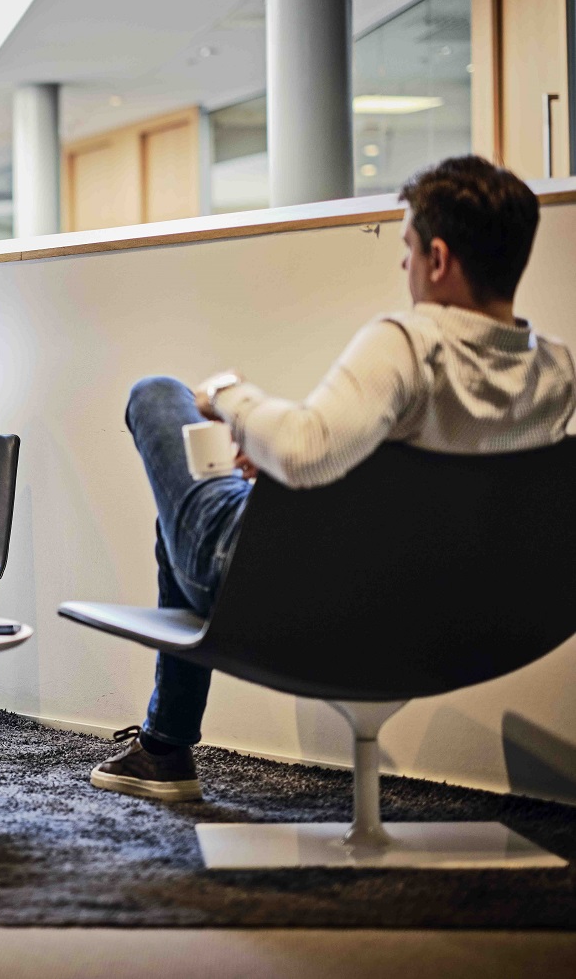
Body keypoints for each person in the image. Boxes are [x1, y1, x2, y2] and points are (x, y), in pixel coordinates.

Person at [93, 154, 576, 803]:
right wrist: (287, 480)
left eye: (405, 248)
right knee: (185, 516)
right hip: (451, 611)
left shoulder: (411, 341)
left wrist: (229, 396)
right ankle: (161, 745)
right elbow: (425, 484)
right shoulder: (555, 370)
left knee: (158, 393)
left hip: (286, 592)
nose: (403, 266)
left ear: (437, 257)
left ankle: (166, 746)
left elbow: (302, 450)